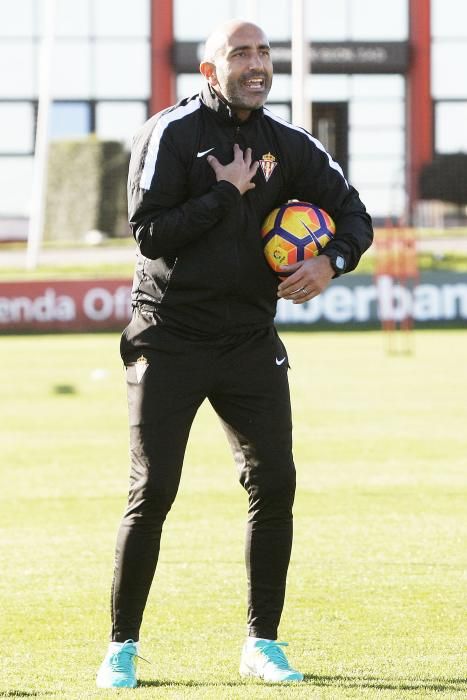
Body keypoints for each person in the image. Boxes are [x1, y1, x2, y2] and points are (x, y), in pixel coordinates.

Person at [96, 18, 373, 689]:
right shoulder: (172, 133)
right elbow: (150, 235)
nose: (255, 64)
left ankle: (262, 643)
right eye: (239, 53)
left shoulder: (290, 144)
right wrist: (225, 193)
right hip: (170, 334)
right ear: (210, 69)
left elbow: (356, 217)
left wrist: (330, 263)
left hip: (248, 338)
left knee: (273, 482)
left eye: (262, 52)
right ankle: (121, 649)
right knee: (153, 489)